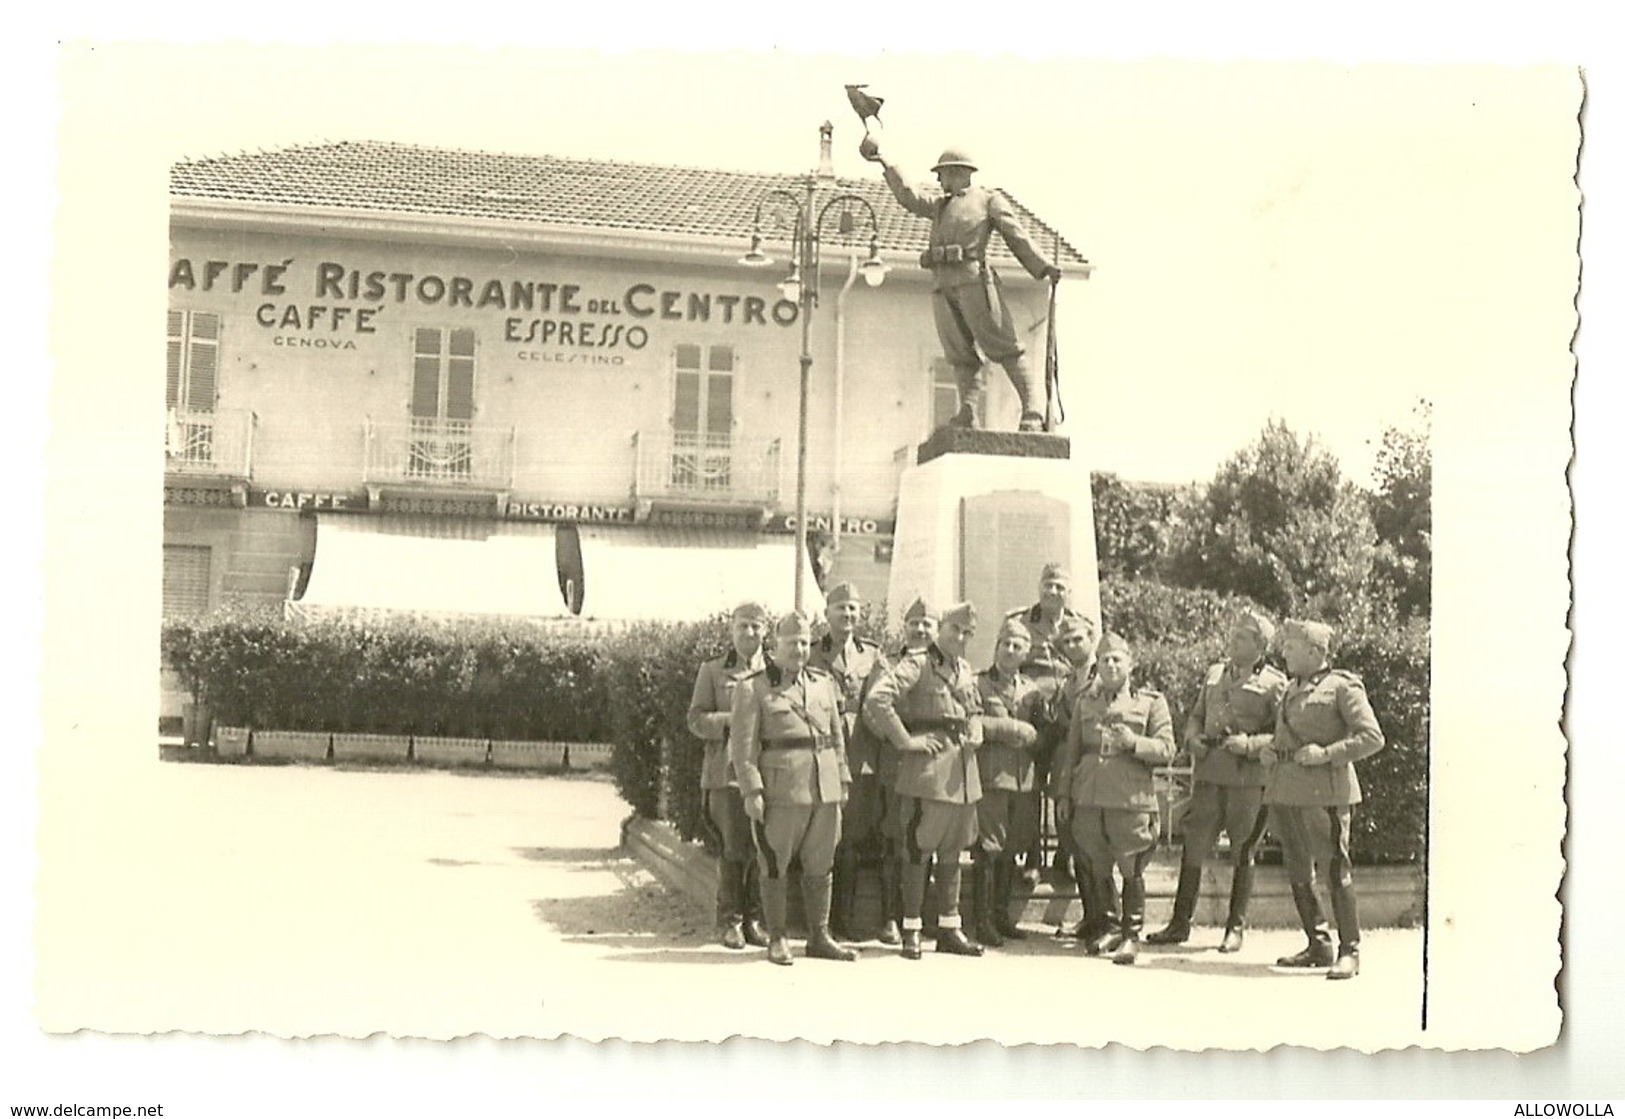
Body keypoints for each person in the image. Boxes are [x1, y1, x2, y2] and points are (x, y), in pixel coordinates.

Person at [860, 136, 1063, 433]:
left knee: (1003, 345)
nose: (940, 181)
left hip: (974, 281)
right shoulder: (940, 207)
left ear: (958, 172)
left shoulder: (988, 199)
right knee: (959, 353)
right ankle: (968, 411)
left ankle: (1032, 407)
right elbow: (908, 196)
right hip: (942, 285)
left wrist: (1042, 265)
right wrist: (885, 161)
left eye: (942, 174)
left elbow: (1015, 234)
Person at [1147, 611, 1288, 952]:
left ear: (1260, 646)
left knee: (1243, 849)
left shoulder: (1274, 683)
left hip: (1246, 780)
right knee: (1193, 845)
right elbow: (1196, 716)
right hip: (1209, 775)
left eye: (1242, 636)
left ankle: (1234, 928)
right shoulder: (1214, 674)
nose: (1233, 639)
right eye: (1234, 633)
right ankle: (1180, 924)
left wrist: (1251, 746)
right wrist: (1192, 738)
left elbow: (1284, 735)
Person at [731, 612, 856, 966]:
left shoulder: (823, 683)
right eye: (791, 643)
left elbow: (836, 739)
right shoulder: (752, 687)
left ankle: (819, 935)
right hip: (781, 788)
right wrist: (752, 791)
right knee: (775, 862)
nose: (798, 650)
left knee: (821, 862)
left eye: (803, 643)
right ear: (775, 646)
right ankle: (778, 937)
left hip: (824, 786)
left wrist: (842, 779)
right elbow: (742, 748)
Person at [863, 602, 987, 959]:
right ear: (940, 629)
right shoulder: (917, 662)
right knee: (918, 850)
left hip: (962, 771)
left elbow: (973, 708)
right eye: (954, 630)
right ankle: (912, 928)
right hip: (928, 772)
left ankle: (950, 928)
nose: (960, 638)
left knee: (952, 852)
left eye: (967, 633)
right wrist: (905, 741)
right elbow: (878, 698)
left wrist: (976, 727)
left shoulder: (962, 668)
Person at [1264, 619, 1385, 980]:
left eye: (1291, 646)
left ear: (1315, 652)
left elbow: (1372, 737)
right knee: (1298, 868)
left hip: (1325, 793)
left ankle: (1350, 951)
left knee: (1335, 869)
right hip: (1287, 791)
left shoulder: (1342, 687)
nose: (1284, 651)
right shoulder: (1289, 688)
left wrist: (1327, 753)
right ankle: (1318, 943)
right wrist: (1272, 750)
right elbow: (1285, 736)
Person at [1049, 632, 1176, 965]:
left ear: (1130, 664)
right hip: (1090, 798)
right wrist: (1064, 795)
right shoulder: (1085, 702)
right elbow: (1073, 753)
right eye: (1104, 659)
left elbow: (1167, 749)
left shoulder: (1150, 702)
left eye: (1117, 659)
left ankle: (1132, 935)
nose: (1110, 664)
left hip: (1130, 799)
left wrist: (1134, 742)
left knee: (1131, 866)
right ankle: (1110, 925)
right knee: (1096, 862)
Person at [861, 597, 946, 946]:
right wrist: (902, 739)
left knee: (928, 837)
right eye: (914, 623)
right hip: (897, 762)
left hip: (935, 764)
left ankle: (920, 914)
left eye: (927, 624)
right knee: (896, 838)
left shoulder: (945, 664)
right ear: (904, 627)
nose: (921, 629)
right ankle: (890, 917)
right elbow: (872, 713)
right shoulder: (888, 663)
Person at [686, 602, 770, 950]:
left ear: (766, 631)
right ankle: (730, 921)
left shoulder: (777, 671)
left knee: (763, 849)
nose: (749, 633)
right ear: (732, 631)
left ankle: (755, 919)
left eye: (755, 626)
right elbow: (695, 719)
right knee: (735, 848)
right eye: (742, 627)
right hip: (726, 775)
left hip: (768, 773)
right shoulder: (713, 671)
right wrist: (729, 721)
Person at [806, 582, 883, 940]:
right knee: (825, 839)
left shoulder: (872, 655)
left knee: (853, 837)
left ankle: (844, 919)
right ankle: (818, 921)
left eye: (853, 608)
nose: (847, 615)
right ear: (827, 614)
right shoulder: (811, 653)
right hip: (822, 752)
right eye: (841, 608)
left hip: (861, 754)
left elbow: (880, 701)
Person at [1005, 561, 1088, 877]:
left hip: (1068, 716)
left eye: (1059, 587)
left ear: (1069, 592)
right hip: (1033, 712)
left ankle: (1064, 854)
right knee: (1029, 784)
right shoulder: (1020, 622)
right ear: (1039, 587)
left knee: (1065, 780)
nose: (1053, 592)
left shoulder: (1083, 625)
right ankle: (1032, 857)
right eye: (1048, 585)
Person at [971, 617, 1046, 947]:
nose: (1010, 650)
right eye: (1006, 644)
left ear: (1026, 653)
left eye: (1018, 646)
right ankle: (983, 921)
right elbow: (971, 721)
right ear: (996, 646)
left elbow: (1044, 736)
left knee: (1010, 850)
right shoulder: (978, 684)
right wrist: (1010, 729)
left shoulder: (1032, 690)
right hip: (992, 778)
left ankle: (1001, 915)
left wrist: (1036, 737)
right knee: (988, 850)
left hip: (1023, 781)